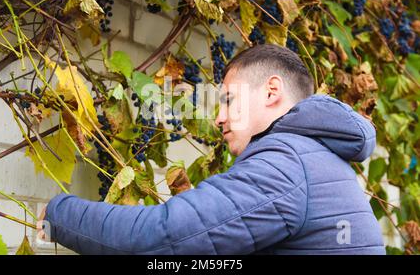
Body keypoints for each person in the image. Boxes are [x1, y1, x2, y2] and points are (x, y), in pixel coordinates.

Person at [37, 44, 385, 254]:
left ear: (271, 92)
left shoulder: (286, 164)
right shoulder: (315, 157)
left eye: (228, 100)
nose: (218, 118)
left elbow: (160, 238)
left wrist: (59, 215)